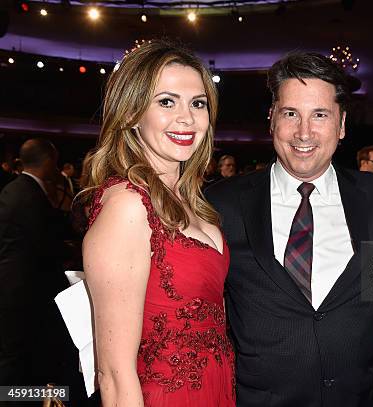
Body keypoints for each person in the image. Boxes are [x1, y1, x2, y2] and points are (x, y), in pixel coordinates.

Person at [205, 52, 373, 406]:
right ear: (271, 119)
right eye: (290, 113)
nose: (304, 132)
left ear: (342, 125)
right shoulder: (222, 203)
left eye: (321, 115)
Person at [79, 40, 234, 407]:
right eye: (166, 102)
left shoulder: (195, 202)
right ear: (132, 114)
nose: (187, 117)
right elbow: (114, 375)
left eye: (198, 103)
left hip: (216, 389)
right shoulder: (128, 206)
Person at [0, 139, 71, 387]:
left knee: (17, 356)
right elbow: (44, 245)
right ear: (50, 161)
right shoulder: (29, 194)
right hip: (24, 290)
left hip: (13, 285)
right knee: (16, 359)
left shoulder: (15, 189)